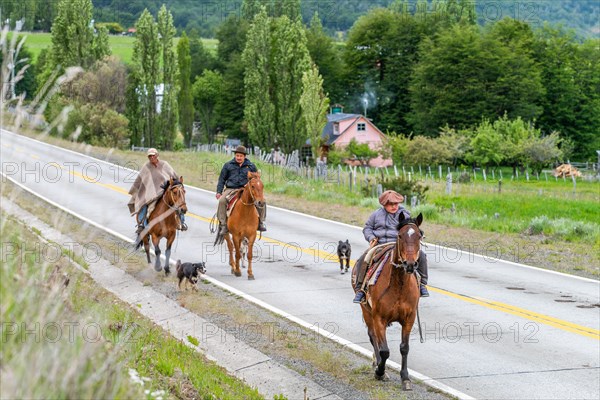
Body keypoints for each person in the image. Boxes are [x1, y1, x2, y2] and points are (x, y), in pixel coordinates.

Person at [353, 190, 429, 303]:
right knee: (364, 257)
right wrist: (371, 238)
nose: (394, 206)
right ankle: (361, 289)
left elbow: (413, 229)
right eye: (390, 204)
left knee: (421, 255)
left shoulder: (405, 214)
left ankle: (422, 284)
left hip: (399, 245)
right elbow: (367, 228)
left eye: (395, 204)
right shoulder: (376, 215)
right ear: (384, 205)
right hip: (381, 244)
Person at [127, 148, 187, 235]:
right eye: (149, 156)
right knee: (144, 204)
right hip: (151, 194)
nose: (151, 157)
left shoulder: (165, 164)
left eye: (153, 155)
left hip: (166, 191)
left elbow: (175, 176)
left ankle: (182, 222)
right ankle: (141, 225)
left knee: (179, 203)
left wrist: (180, 187)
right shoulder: (146, 167)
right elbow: (140, 181)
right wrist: (140, 192)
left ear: (157, 155)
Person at [215, 145, 267, 235]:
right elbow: (222, 179)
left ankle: (261, 222)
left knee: (262, 201)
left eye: (241, 156)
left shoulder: (251, 166)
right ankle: (223, 224)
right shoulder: (228, 165)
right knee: (222, 201)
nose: (239, 158)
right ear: (235, 155)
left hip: (246, 189)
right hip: (231, 189)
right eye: (237, 155)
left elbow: (256, 179)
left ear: (244, 156)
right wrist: (219, 192)